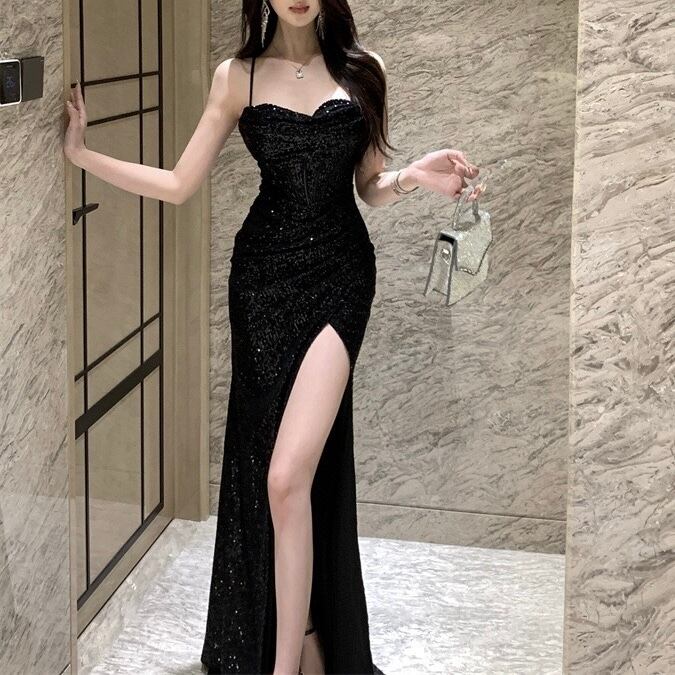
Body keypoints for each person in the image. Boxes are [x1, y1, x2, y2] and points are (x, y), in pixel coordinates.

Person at [63, 1, 481, 673]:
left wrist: (415, 175)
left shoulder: (364, 70)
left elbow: (369, 187)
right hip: (261, 283)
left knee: (286, 478)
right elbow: (178, 184)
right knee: (271, 470)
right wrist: (83, 154)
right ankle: (304, 642)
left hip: (340, 278)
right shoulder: (238, 76)